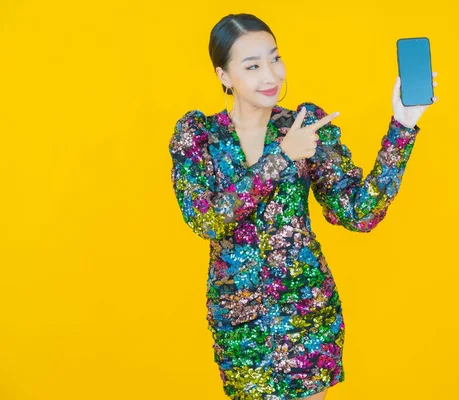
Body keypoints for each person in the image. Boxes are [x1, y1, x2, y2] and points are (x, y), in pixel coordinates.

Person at [168, 13, 438, 400]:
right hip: (242, 323)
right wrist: (280, 157)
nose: (270, 75)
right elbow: (207, 220)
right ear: (224, 76)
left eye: (275, 59)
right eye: (252, 65)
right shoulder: (198, 136)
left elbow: (359, 213)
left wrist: (403, 127)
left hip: (307, 313)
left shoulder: (306, 126)